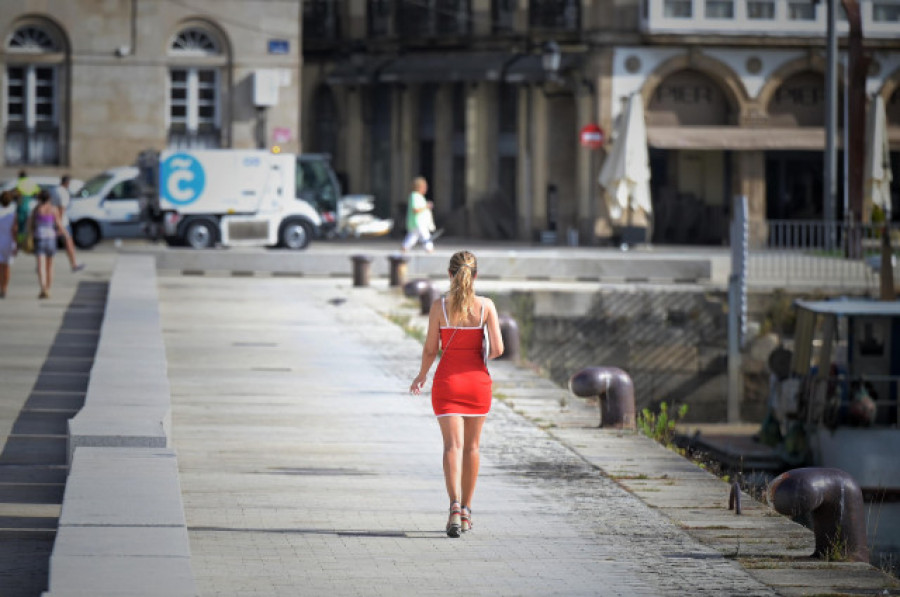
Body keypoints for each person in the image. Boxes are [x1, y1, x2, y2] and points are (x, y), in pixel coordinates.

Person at [409, 250, 504, 537]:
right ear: (475, 275)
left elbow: (429, 349)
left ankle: (453, 506)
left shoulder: (440, 307)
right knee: (473, 448)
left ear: (450, 275)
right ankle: (466, 512)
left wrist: (422, 375)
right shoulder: (486, 306)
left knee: (452, 447)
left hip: (447, 383)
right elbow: (498, 349)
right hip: (477, 384)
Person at [28, 189, 70, 299]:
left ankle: (43, 288)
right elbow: (59, 225)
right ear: (49, 198)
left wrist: (30, 236)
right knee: (50, 266)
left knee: (41, 266)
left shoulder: (36, 210)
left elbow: (30, 226)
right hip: (51, 239)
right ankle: (48, 288)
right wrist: (65, 234)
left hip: (39, 239)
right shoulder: (53, 209)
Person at [50, 175, 85, 272]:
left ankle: (45, 263)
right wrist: (60, 224)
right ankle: (74, 264)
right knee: (69, 242)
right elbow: (62, 208)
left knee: (51, 243)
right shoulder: (63, 192)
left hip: (52, 220)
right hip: (62, 222)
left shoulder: (54, 190)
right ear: (67, 183)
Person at [401, 176, 436, 253]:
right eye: (424, 187)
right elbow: (415, 209)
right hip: (418, 222)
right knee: (425, 235)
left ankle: (404, 248)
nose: (426, 189)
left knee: (412, 237)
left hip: (418, 222)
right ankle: (429, 249)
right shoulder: (414, 196)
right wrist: (426, 206)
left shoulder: (419, 196)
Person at [15, 170, 39, 247]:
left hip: (22, 206)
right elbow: (38, 192)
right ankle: (29, 243)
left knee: (21, 226)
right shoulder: (31, 182)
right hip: (30, 206)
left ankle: (20, 243)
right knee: (29, 226)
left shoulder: (20, 182)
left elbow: (18, 195)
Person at [0, 191, 18, 298]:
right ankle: (4, 288)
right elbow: (14, 230)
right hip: (8, 241)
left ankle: (1, 286)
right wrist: (16, 244)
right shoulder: (12, 213)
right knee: (6, 267)